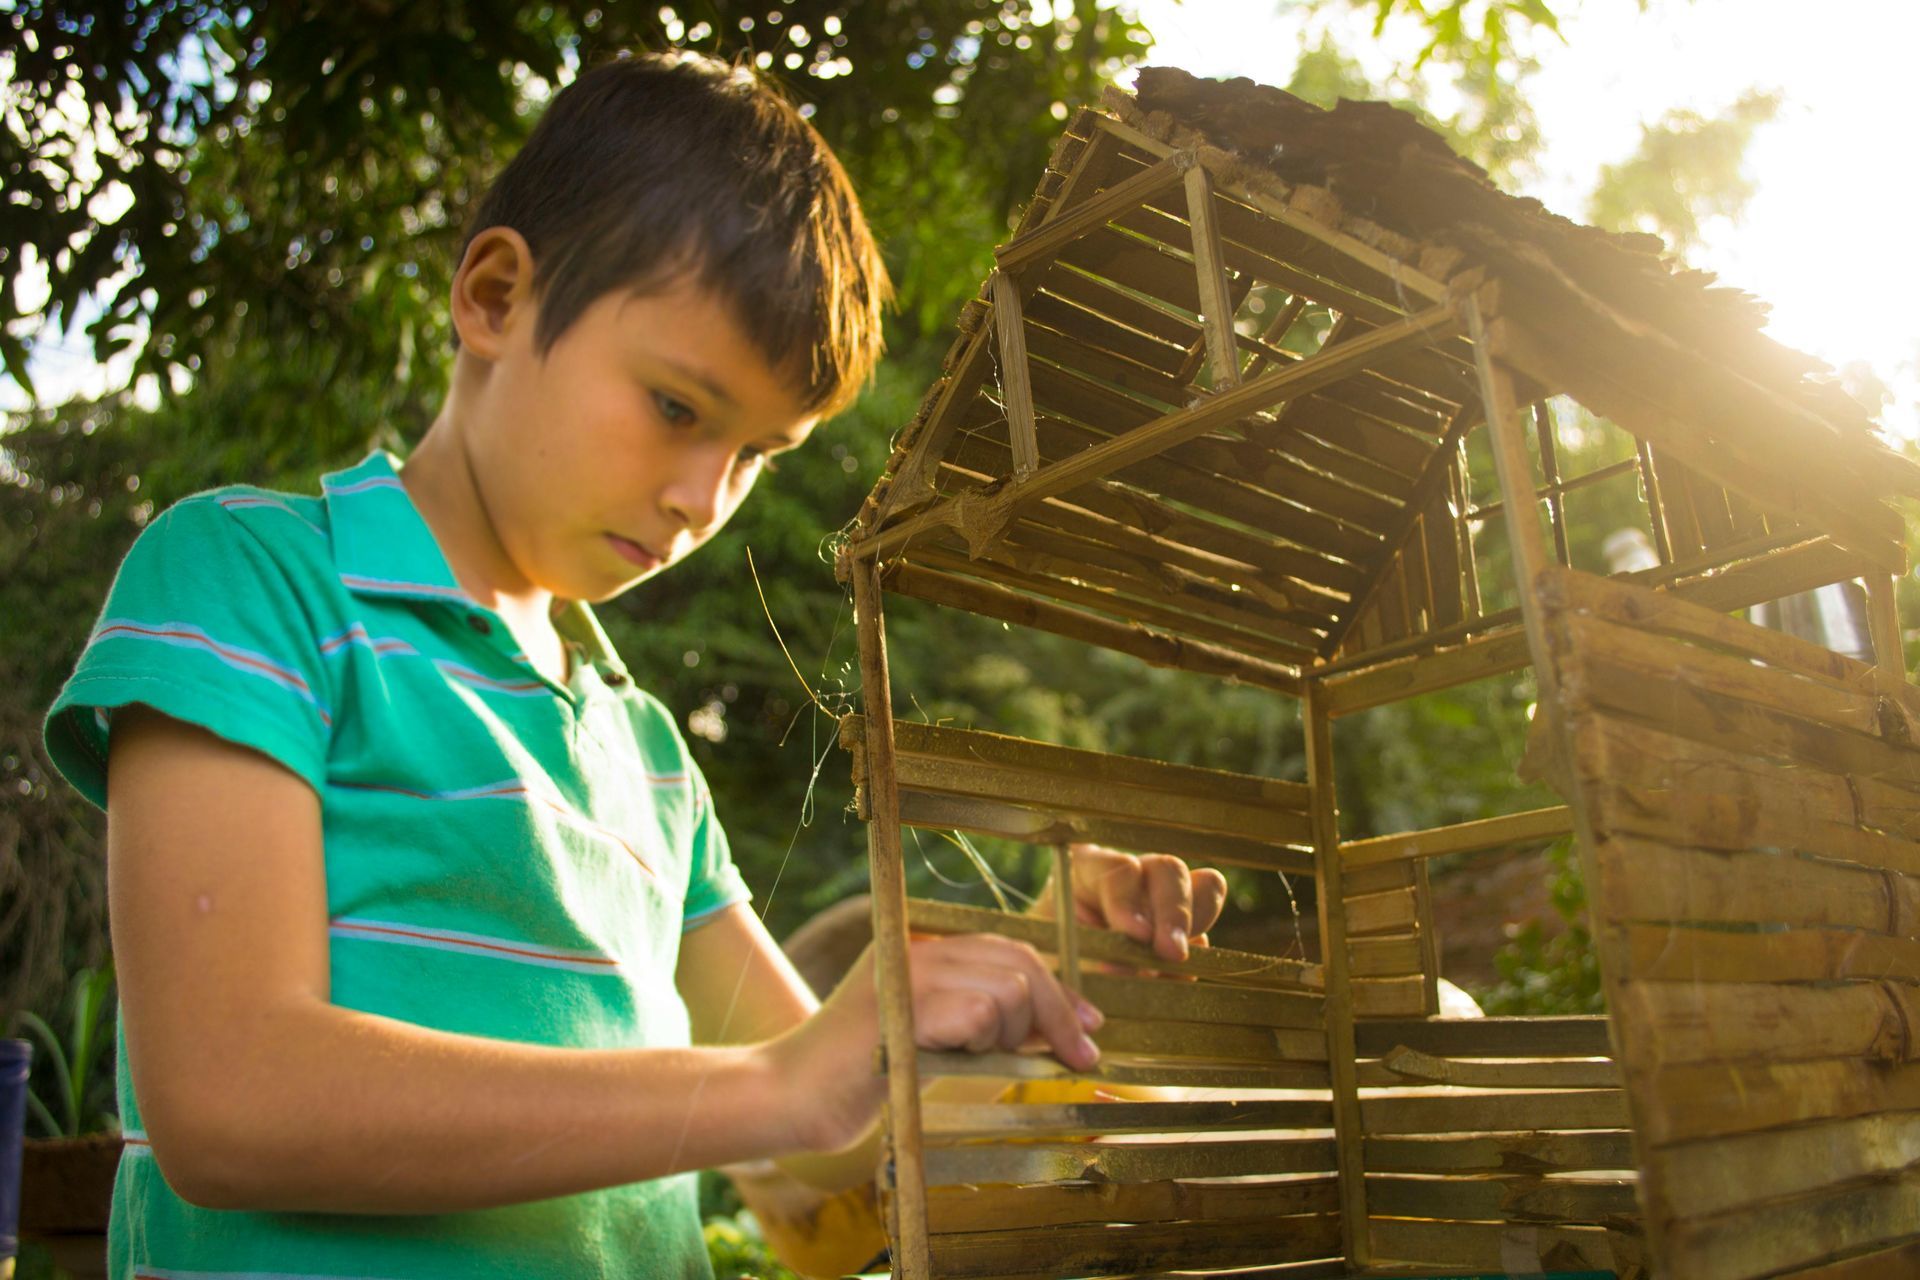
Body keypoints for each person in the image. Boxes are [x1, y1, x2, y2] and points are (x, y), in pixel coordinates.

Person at [43, 50, 1226, 1279]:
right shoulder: (251, 578)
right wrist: (781, 1084)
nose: (702, 498)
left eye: (758, 453)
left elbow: (834, 1119)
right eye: (676, 407)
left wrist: (1034, 959)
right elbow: (231, 1097)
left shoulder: (649, 755)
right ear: (496, 296)